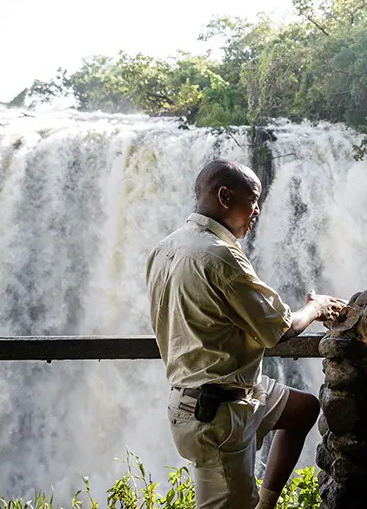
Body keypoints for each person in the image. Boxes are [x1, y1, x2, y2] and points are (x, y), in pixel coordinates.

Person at [147, 159, 344, 509]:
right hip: (218, 411)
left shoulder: (165, 249)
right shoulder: (220, 256)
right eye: (252, 200)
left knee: (302, 409)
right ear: (224, 196)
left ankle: (264, 503)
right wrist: (316, 308)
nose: (257, 211)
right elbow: (279, 329)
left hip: (208, 395)